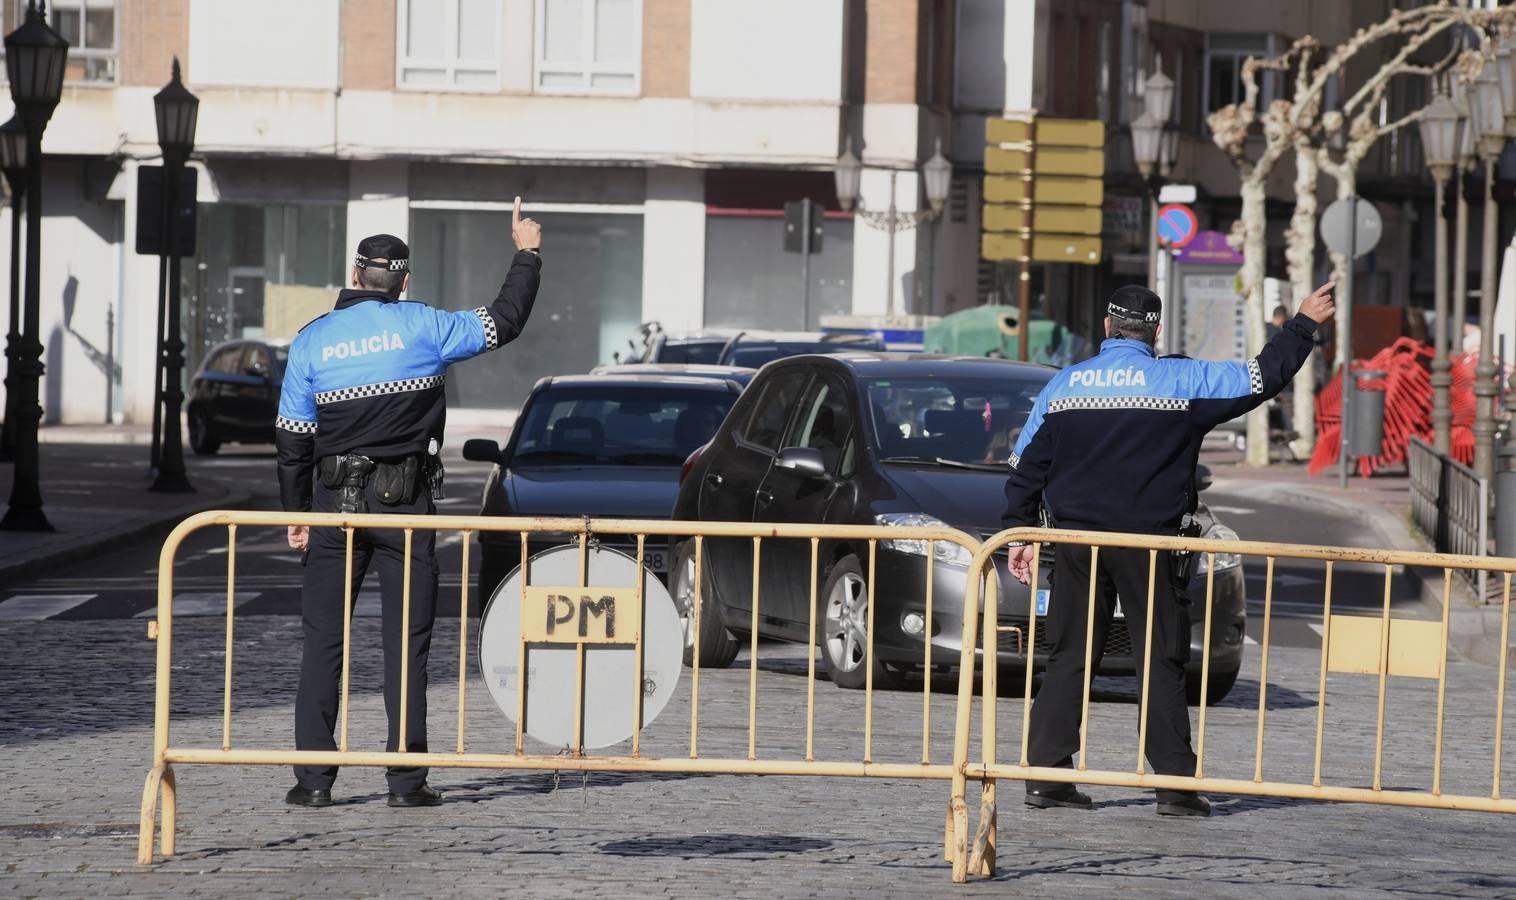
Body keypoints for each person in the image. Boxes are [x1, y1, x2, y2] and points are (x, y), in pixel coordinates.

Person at [1002, 281, 1335, 817]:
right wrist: (1301, 324)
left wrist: (1017, 531)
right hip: (1151, 545)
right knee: (1161, 660)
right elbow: (1260, 378)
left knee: (1068, 655)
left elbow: (1024, 467)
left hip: (1076, 543)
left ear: (1106, 329)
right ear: (1155, 332)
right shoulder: (1182, 379)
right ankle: (1175, 787)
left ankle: (1046, 776)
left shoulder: (1065, 385)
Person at [275, 198, 543, 809]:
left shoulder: (312, 340)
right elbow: (505, 320)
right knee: (406, 643)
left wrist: (294, 513)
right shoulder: (426, 326)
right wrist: (526, 251)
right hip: (406, 505)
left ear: (353, 276)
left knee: (323, 643)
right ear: (404, 281)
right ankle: (405, 782)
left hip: (332, 508)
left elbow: (293, 440)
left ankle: (313, 783)